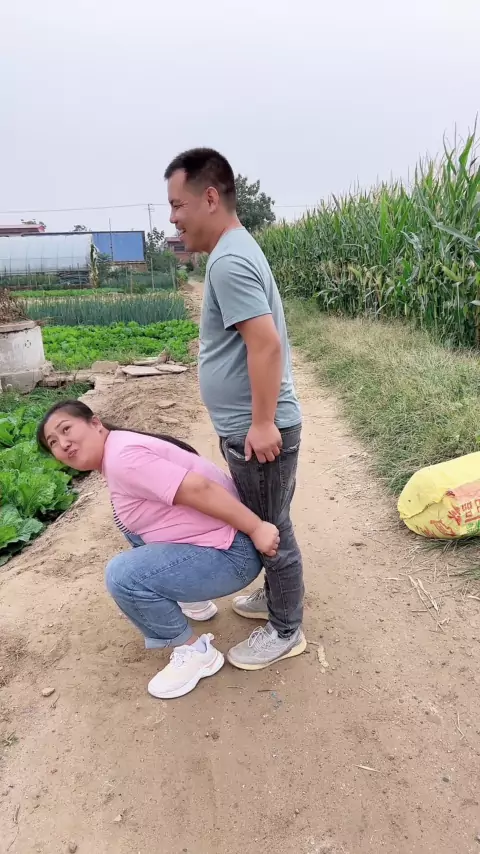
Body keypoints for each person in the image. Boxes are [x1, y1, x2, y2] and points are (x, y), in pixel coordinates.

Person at [164, 148, 305, 670]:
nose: (173, 218)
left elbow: (265, 344)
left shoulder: (228, 260)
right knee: (270, 517)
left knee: (270, 525)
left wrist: (262, 422)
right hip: (250, 425)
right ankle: (276, 598)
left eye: (177, 205)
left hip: (257, 429)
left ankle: (286, 628)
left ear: (209, 197)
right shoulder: (234, 251)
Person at [37, 400, 282, 699]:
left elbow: (199, 489)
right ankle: (195, 602)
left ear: (95, 423)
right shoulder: (118, 449)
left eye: (66, 429)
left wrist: (256, 528)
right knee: (131, 523)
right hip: (224, 542)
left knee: (123, 576)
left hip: (234, 554)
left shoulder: (122, 459)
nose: (63, 444)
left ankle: (195, 653)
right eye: (53, 442)